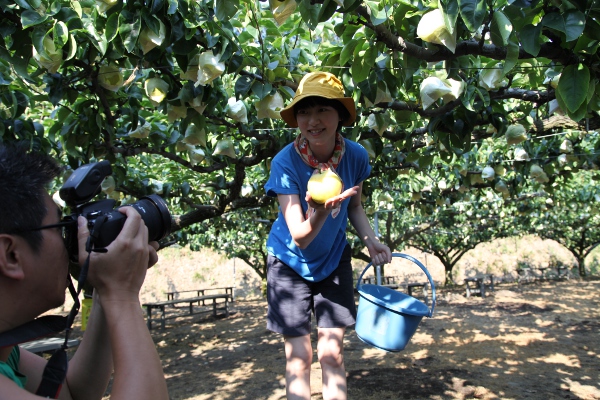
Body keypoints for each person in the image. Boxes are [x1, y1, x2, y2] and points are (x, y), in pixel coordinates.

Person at [0, 144, 169, 400]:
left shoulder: (5, 352)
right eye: (60, 227)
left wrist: (106, 288)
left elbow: (76, 393)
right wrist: (121, 295)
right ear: (11, 255)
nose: (71, 240)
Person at [264, 71, 392, 400]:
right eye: (304, 112)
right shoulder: (284, 163)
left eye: (323, 109)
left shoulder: (356, 156)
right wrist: (320, 209)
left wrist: (369, 239)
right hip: (289, 263)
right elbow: (300, 237)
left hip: (333, 261)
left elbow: (354, 207)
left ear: (340, 116)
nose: (313, 120)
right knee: (299, 357)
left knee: (332, 354)